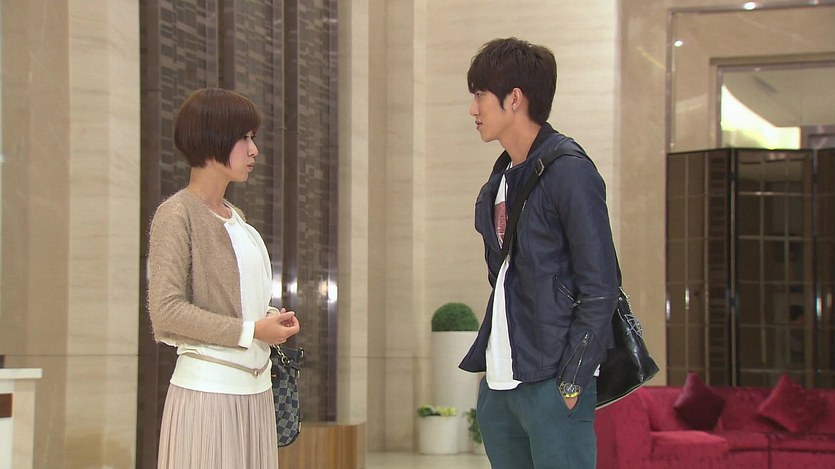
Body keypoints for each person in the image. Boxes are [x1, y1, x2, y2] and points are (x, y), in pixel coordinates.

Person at [458, 38, 619, 469]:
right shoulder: (496, 184)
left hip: (553, 381)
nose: (473, 109)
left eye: (480, 95)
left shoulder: (569, 171)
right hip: (500, 387)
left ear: (514, 99)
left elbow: (601, 283)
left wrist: (573, 380)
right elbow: (504, 279)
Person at [148, 88, 300, 469]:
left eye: (253, 138)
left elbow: (239, 302)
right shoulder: (176, 214)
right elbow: (166, 311)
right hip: (209, 394)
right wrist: (252, 330)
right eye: (244, 137)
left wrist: (269, 319)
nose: (254, 150)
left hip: (256, 392)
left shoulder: (238, 219)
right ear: (213, 137)